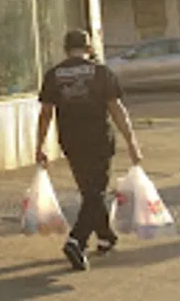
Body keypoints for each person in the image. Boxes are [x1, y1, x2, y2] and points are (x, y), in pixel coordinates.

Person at [36, 29, 143, 272]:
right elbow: (116, 109)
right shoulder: (101, 73)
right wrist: (132, 141)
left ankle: (106, 237)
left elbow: (45, 114)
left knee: (90, 191)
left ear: (65, 48)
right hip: (99, 141)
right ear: (89, 47)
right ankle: (77, 240)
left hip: (72, 143)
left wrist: (40, 146)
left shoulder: (54, 75)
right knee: (95, 192)